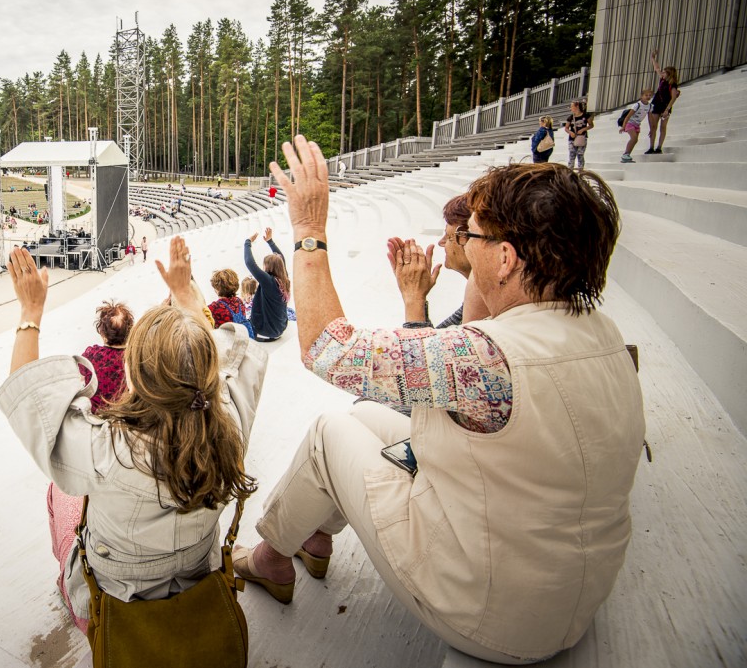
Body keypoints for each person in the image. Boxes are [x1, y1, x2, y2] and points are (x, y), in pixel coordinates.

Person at [232, 135, 645, 664]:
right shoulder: (601, 334)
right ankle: (312, 536)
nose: (462, 243)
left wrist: (309, 230)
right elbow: (468, 377)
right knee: (365, 414)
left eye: (473, 235)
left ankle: (270, 557)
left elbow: (328, 349)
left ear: (505, 258)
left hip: (490, 609)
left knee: (329, 432)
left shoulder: (486, 359)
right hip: (556, 590)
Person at [0, 237, 268, 633]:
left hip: (121, 594)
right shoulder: (231, 415)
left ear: (137, 375)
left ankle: (78, 602)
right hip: (197, 569)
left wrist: (30, 311)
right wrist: (184, 294)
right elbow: (215, 360)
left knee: (61, 493)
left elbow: (27, 397)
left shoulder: (108, 451)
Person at [388, 194, 483, 330]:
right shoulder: (475, 300)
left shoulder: (488, 309)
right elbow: (438, 340)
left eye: (449, 237)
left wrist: (413, 297)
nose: (441, 242)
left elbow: (421, 350)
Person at [77, 301, 134, 411]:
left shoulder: (91, 354)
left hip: (96, 413)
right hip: (122, 412)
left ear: (103, 334)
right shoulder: (132, 357)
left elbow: (80, 372)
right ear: (130, 331)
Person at [243, 228, 290, 341]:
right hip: (280, 327)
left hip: (266, 332)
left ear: (268, 267)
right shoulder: (284, 279)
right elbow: (281, 258)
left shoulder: (269, 282)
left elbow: (250, 263)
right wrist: (270, 241)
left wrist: (247, 242)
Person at [646, 49, 680, 153]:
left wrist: (667, 109)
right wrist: (653, 58)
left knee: (663, 127)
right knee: (653, 126)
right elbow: (657, 68)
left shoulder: (672, 84)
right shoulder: (662, 79)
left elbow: (673, 97)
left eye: (665, 72)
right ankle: (651, 147)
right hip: (656, 104)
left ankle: (659, 147)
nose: (662, 73)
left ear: (669, 74)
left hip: (665, 106)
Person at [208, 268, 254, 338]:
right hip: (245, 339)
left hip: (230, 343)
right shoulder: (239, 301)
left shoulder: (214, 307)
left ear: (217, 289)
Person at [620, 89, 653, 163]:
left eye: (649, 95)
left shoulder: (650, 106)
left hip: (637, 125)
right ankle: (625, 154)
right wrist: (623, 126)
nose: (648, 97)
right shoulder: (637, 105)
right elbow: (628, 116)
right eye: (646, 95)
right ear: (641, 96)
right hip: (630, 123)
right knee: (634, 138)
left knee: (635, 140)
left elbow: (650, 118)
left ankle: (627, 154)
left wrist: (651, 129)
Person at [563, 100, 594, 170]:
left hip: (582, 137)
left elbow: (591, 125)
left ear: (577, 106)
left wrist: (583, 129)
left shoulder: (585, 116)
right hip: (572, 138)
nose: (571, 108)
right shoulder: (570, 117)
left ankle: (581, 170)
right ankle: (570, 170)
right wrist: (570, 132)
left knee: (580, 155)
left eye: (572, 106)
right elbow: (566, 128)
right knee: (571, 155)